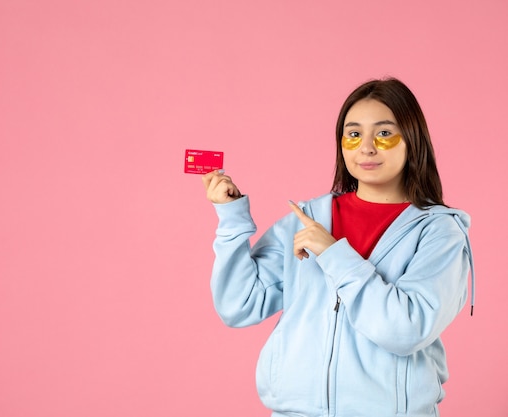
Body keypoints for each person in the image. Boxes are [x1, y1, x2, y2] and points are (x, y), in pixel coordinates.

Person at [201, 78, 474, 417]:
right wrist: (231, 219)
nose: (366, 147)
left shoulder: (438, 232)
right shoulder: (308, 218)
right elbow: (239, 305)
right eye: (354, 133)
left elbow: (406, 329)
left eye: (385, 133)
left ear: (413, 140)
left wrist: (333, 254)